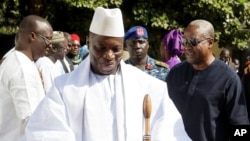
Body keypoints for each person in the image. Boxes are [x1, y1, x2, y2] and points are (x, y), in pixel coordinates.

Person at [24, 7, 191, 141]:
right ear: (89, 44)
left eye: (116, 49)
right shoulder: (63, 89)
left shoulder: (150, 87)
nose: (109, 55)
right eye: (101, 48)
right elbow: (45, 132)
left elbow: (169, 132)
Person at [166, 19, 249, 141]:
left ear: (210, 43)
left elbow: (240, 127)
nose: (187, 47)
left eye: (193, 42)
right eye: (184, 41)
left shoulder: (228, 79)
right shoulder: (175, 74)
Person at [0, 15, 53, 141]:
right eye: (48, 39)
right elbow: (31, 120)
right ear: (32, 36)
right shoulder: (22, 68)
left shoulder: (16, 61)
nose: (50, 45)